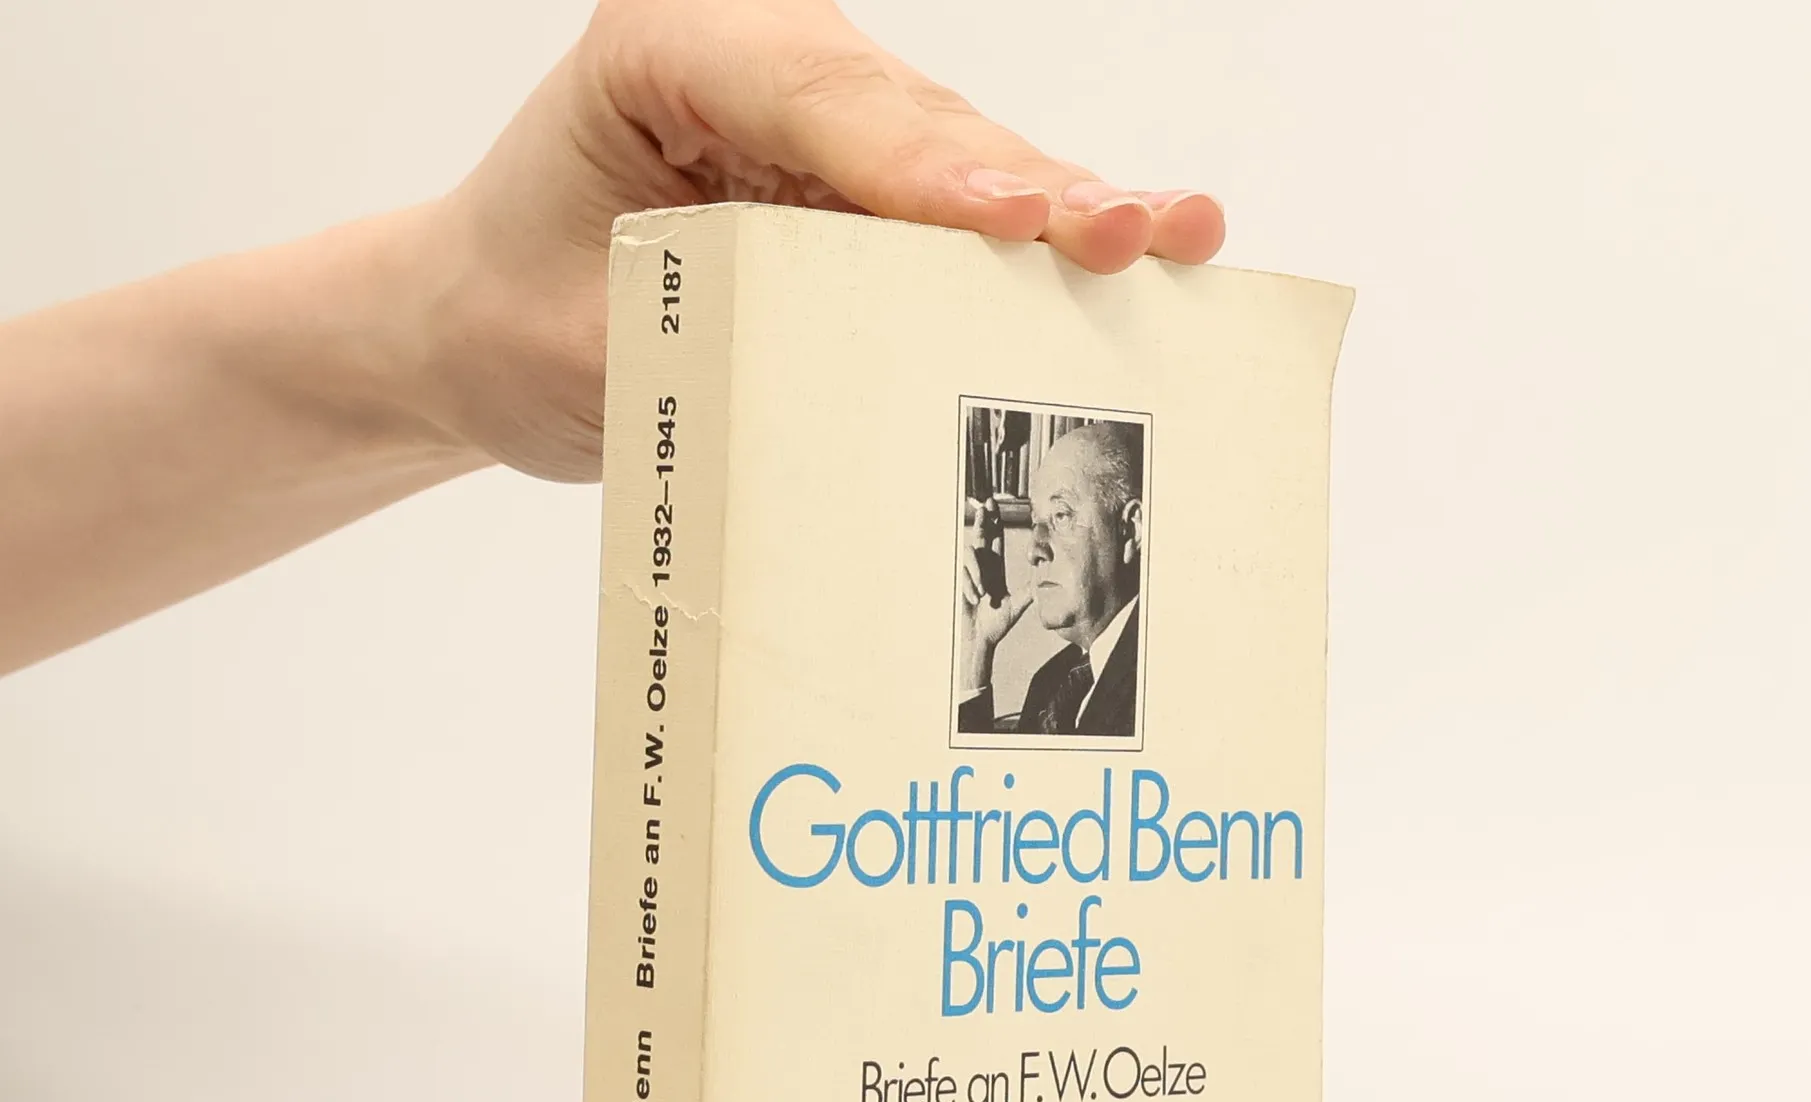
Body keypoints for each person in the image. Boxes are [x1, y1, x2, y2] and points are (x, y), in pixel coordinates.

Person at [0, 0, 1223, 682]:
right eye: (1037, 510)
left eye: (1062, 512)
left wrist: (444, 316)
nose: (1029, 538)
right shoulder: (1040, 673)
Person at [955, 422, 1145, 737]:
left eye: (1061, 515)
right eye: (1035, 522)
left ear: (1130, 530)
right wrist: (976, 649)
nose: (1034, 550)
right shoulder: (1050, 683)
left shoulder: (1164, 681)